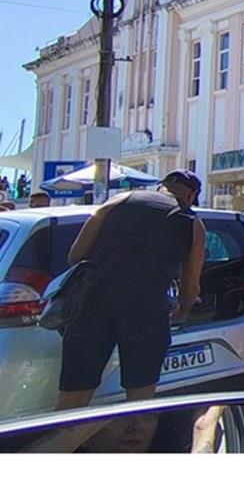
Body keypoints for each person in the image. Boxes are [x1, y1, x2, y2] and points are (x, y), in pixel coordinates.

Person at [54, 170, 206, 412]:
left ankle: (61, 444)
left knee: (72, 401)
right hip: (146, 312)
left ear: (162, 185)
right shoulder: (192, 223)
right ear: (191, 195)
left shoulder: (117, 201)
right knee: (139, 402)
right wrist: (182, 311)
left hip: (92, 306)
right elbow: (190, 286)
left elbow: (76, 256)